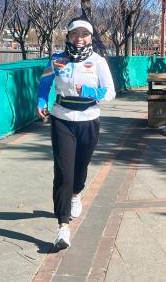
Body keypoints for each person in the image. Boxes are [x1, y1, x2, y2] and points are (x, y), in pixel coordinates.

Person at [36, 17, 116, 250]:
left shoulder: (98, 61)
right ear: (68, 36)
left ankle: (76, 194)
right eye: (75, 34)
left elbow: (110, 92)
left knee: (80, 169)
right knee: (63, 173)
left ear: (90, 38)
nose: (79, 39)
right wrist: (41, 100)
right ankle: (63, 226)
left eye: (84, 34)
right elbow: (45, 83)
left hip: (88, 120)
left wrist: (90, 91)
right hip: (62, 119)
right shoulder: (57, 59)